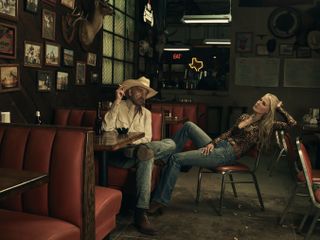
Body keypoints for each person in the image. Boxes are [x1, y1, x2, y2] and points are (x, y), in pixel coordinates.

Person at [149, 93, 297, 213]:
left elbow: (292, 124)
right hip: (220, 146)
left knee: (176, 159)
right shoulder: (244, 117)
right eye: (259, 99)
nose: (258, 102)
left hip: (226, 155)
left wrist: (279, 108)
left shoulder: (268, 125)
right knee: (188, 126)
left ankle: (160, 201)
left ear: (268, 110)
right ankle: (165, 158)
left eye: (264, 103)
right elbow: (228, 133)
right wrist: (212, 144)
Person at [102, 76, 176, 235]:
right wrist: (116, 101)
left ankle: (140, 212)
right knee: (148, 154)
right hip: (120, 155)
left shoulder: (147, 114)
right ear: (129, 92)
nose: (143, 95)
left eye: (145, 92)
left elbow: (147, 138)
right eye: (139, 91)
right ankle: (140, 213)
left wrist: (136, 147)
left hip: (138, 153)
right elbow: (106, 129)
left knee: (170, 144)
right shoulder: (118, 107)